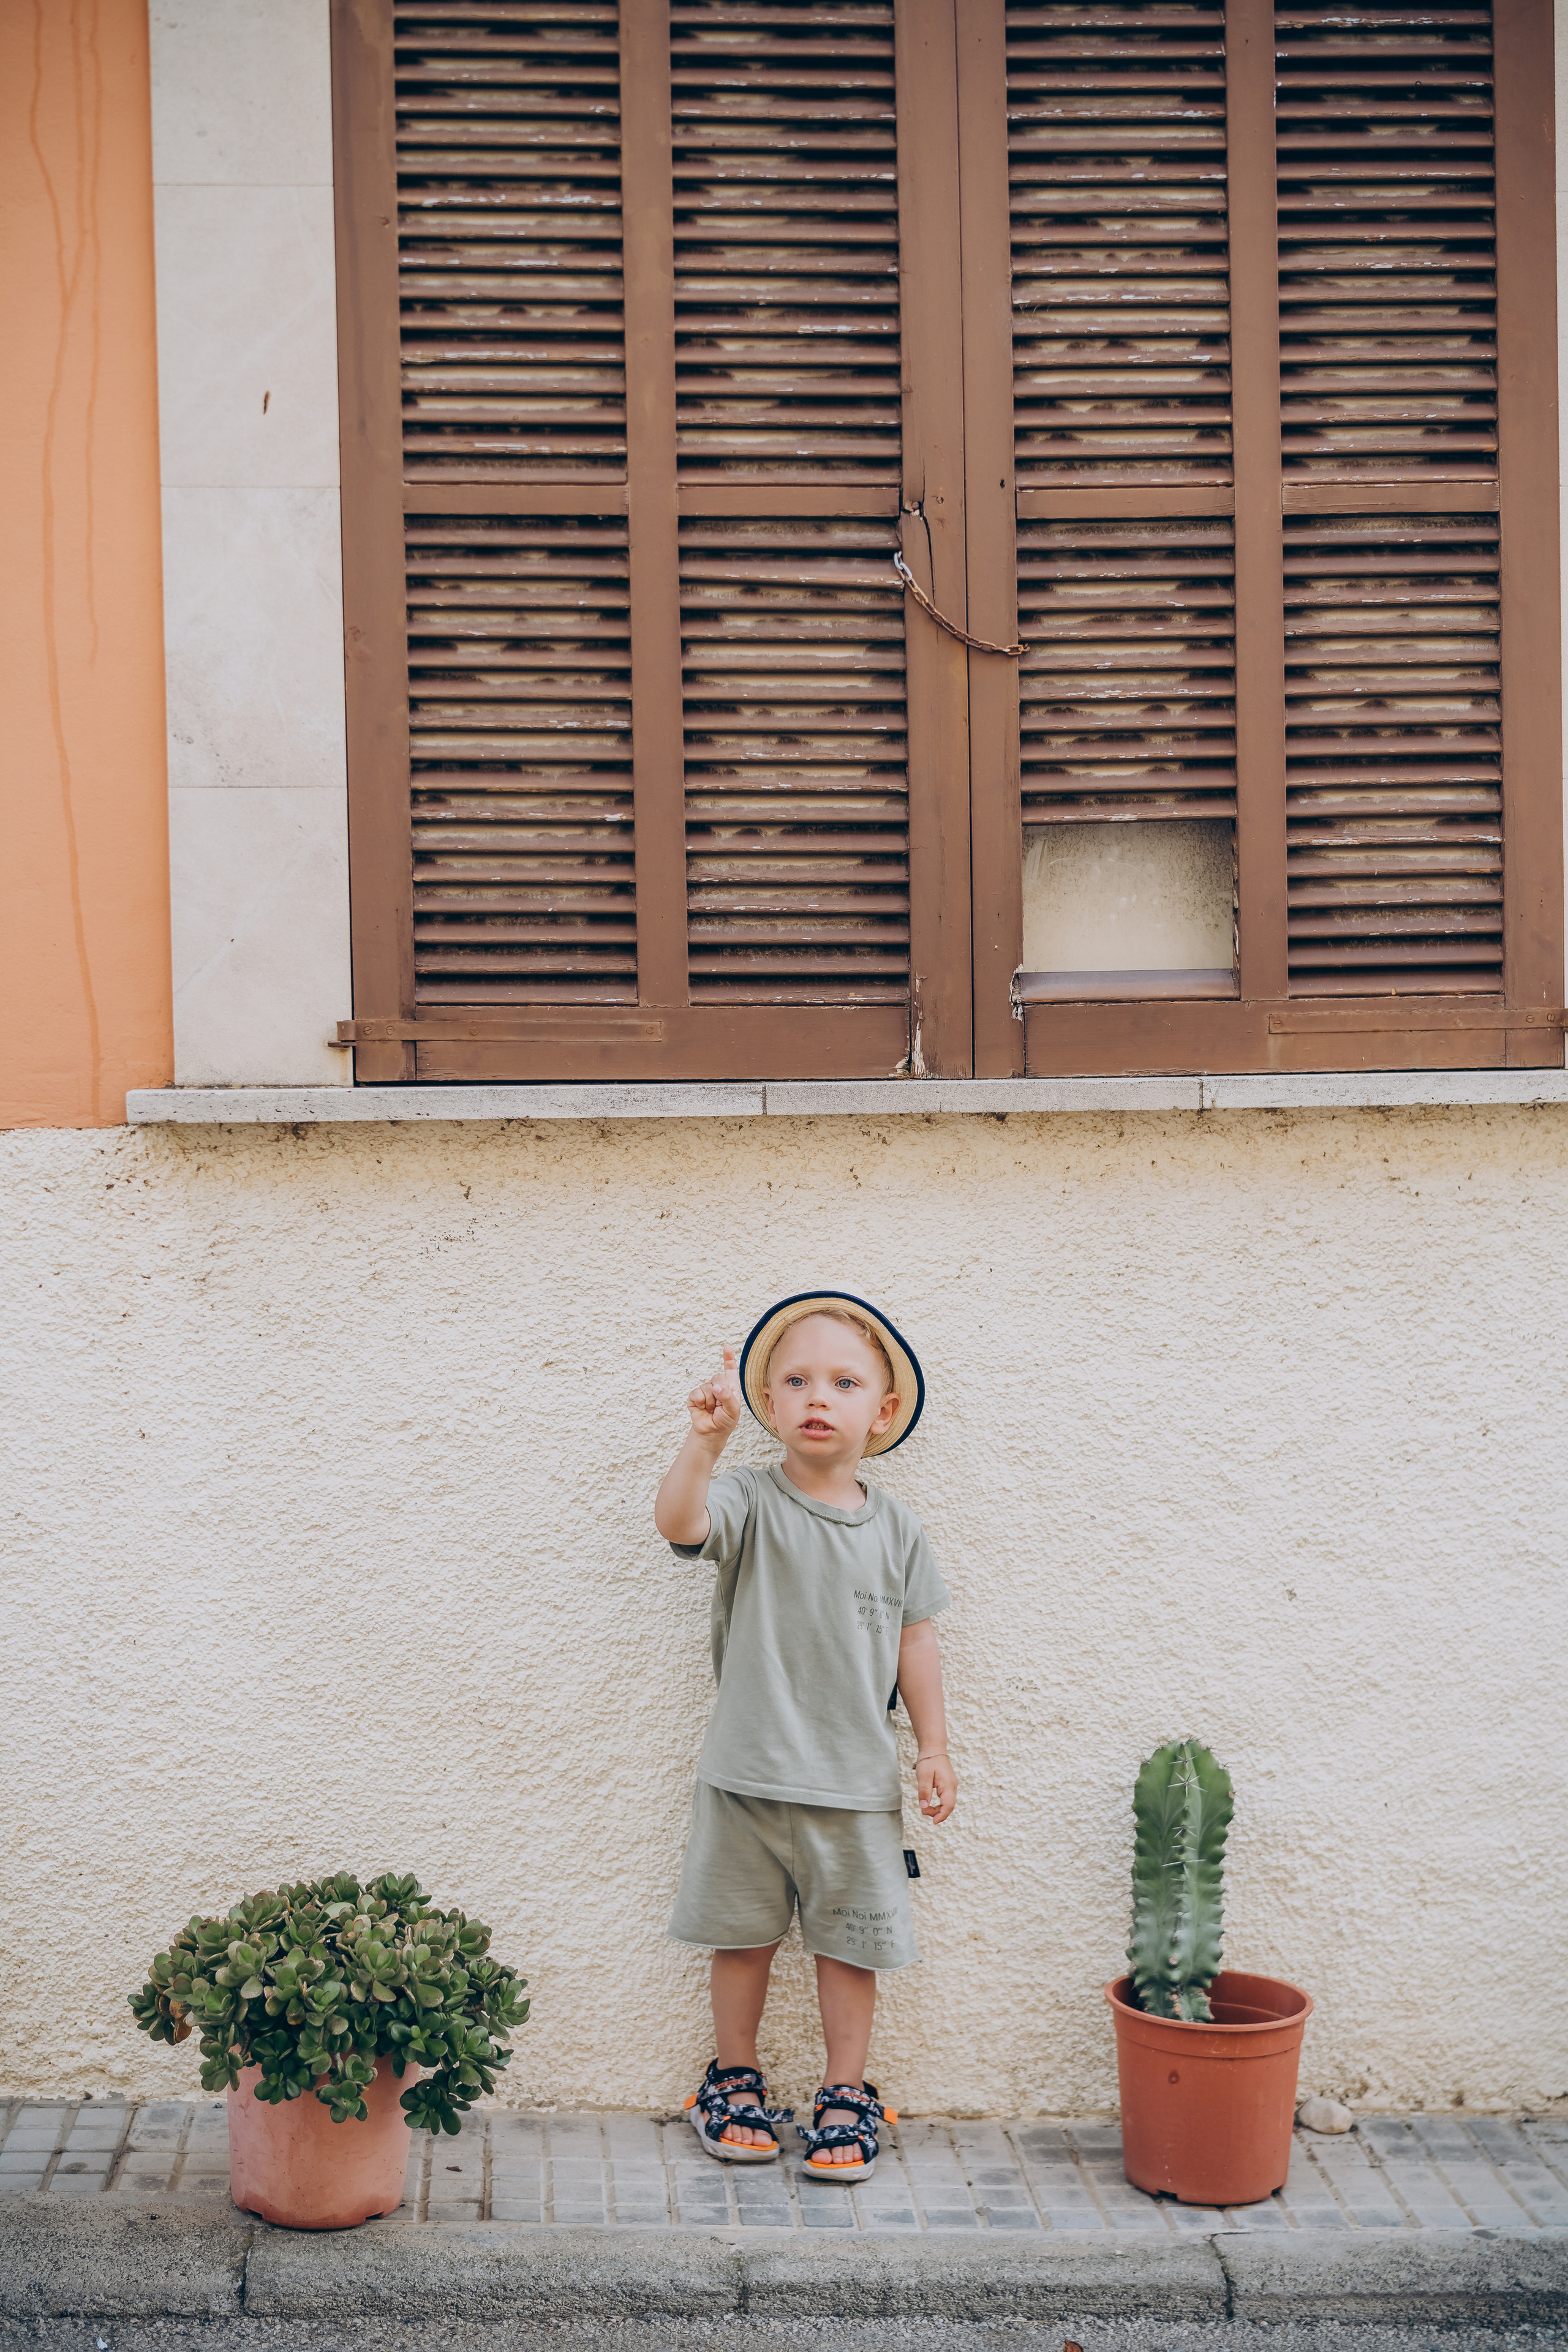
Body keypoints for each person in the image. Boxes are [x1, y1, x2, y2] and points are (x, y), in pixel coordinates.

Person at [653, 1290, 956, 2185]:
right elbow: (679, 1523)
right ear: (771, 1406)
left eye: (844, 1380)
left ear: (883, 1410)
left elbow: (918, 1641)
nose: (819, 1396)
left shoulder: (896, 1528)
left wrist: (933, 1749)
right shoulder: (747, 1498)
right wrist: (703, 1447)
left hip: (857, 1787)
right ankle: (734, 2079)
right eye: (797, 1380)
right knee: (741, 1941)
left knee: (849, 1947)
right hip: (747, 1778)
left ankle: (843, 2093)